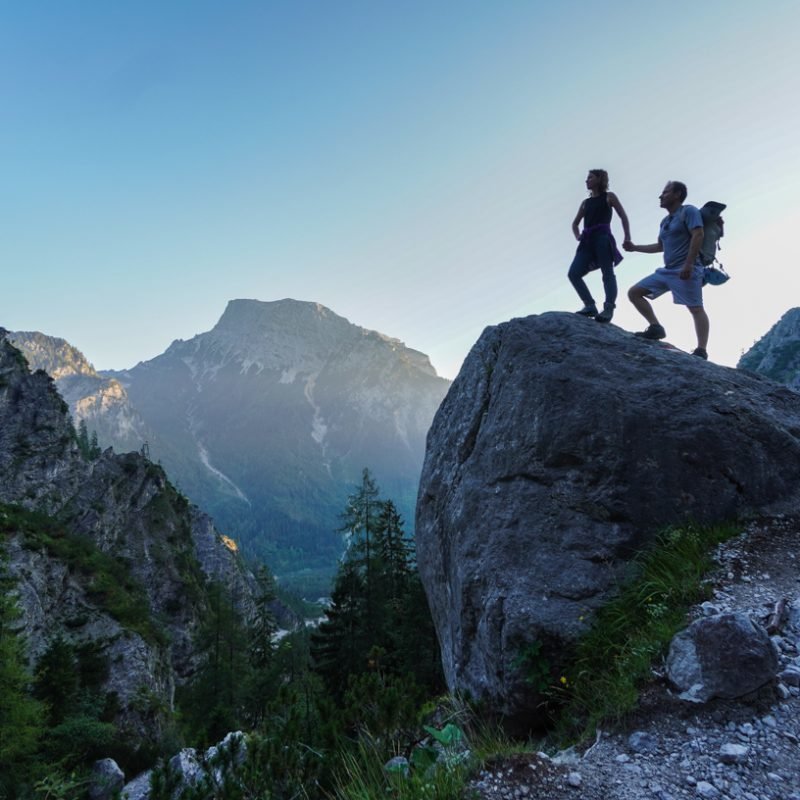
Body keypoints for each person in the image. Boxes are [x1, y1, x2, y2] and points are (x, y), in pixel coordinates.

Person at [623, 181, 709, 359]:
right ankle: (656, 327)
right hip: (667, 271)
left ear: (677, 194)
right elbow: (660, 246)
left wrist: (689, 264)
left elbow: (698, 234)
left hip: (687, 269)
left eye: (665, 192)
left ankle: (701, 349)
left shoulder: (689, 211)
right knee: (635, 293)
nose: (660, 196)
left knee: (695, 308)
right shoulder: (665, 221)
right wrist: (635, 247)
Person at [568, 169, 632, 323]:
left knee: (607, 273)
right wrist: (578, 236)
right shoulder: (585, 203)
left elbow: (623, 216)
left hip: (603, 238)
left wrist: (627, 237)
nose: (586, 180)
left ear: (600, 179)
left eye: (590, 177)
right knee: (573, 273)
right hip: (587, 242)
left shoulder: (609, 197)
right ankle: (589, 305)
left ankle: (609, 308)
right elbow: (575, 223)